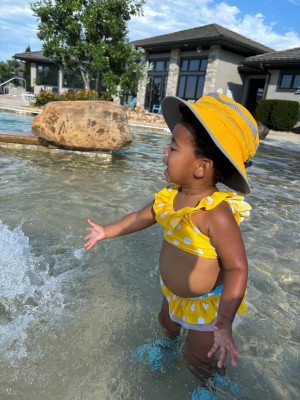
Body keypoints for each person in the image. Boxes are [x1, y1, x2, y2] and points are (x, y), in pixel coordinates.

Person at [84, 92, 258, 381]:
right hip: (173, 293)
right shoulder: (170, 198)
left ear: (201, 167)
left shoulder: (216, 215)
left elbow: (237, 267)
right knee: (166, 323)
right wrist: (106, 231)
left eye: (173, 148)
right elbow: (139, 217)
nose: (165, 153)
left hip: (209, 307)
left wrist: (224, 321)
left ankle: (210, 385)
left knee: (199, 358)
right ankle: (166, 348)